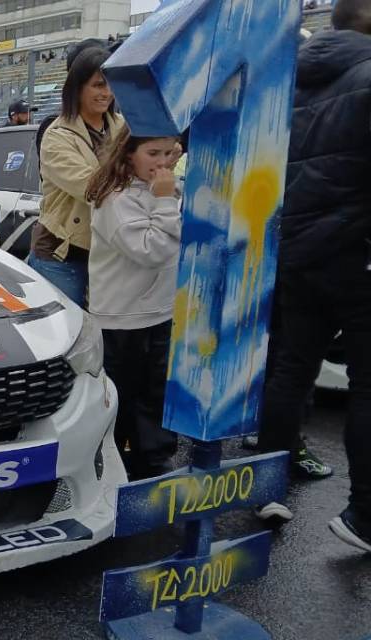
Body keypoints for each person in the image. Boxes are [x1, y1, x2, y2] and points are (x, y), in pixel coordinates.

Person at [253, 0, 371, 551]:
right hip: (356, 251)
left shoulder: (294, 80)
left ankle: (266, 488)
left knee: (290, 369)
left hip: (298, 249)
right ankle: (364, 516)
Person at [84, 125, 181, 479]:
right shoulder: (117, 198)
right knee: (123, 401)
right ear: (128, 154)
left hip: (158, 312)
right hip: (122, 319)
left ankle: (152, 463)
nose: (162, 163)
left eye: (169, 153)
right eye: (152, 154)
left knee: (155, 396)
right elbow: (151, 250)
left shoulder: (156, 188)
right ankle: (115, 469)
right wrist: (166, 200)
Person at [30, 48, 123, 307]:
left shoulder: (123, 126)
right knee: (65, 333)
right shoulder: (57, 135)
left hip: (107, 252)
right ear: (77, 87)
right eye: (97, 85)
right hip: (61, 255)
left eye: (111, 85)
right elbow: (91, 187)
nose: (106, 93)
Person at [35, 39, 108, 163]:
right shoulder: (56, 132)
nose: (107, 92)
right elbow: (86, 181)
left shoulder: (120, 125)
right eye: (98, 84)